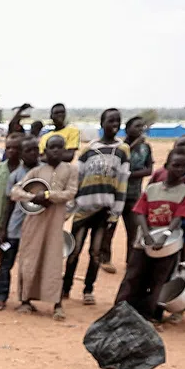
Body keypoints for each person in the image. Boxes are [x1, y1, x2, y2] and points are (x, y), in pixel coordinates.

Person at [114, 150, 185, 321]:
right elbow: (140, 212)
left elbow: (179, 216)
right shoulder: (152, 189)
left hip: (168, 242)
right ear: (166, 166)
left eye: (184, 166)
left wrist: (165, 235)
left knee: (159, 278)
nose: (180, 169)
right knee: (134, 274)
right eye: (176, 165)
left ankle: (149, 314)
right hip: (144, 239)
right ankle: (121, 309)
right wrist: (147, 233)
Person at [63, 108, 130, 304]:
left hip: (104, 210)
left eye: (117, 121)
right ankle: (66, 287)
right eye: (110, 121)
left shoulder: (122, 150)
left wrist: (116, 211)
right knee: (74, 250)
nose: (114, 124)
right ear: (102, 123)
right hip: (83, 207)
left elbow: (122, 181)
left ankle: (88, 290)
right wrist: (70, 208)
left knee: (95, 252)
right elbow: (79, 178)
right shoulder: (89, 150)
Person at [11, 135, 79, 319]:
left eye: (59, 147)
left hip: (55, 222)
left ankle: (57, 303)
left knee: (53, 260)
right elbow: (15, 191)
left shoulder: (71, 170)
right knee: (29, 258)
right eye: (51, 147)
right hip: (34, 222)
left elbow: (71, 192)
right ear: (45, 151)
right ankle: (25, 300)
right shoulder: (37, 171)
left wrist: (49, 196)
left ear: (65, 150)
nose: (55, 151)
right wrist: (34, 198)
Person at [0, 136, 40, 308]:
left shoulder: (43, 172)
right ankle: (1, 296)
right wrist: (4, 229)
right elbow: (9, 204)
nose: (32, 153)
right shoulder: (15, 175)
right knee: (6, 263)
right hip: (15, 226)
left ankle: (26, 299)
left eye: (35, 150)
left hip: (35, 228)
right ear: (21, 153)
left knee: (29, 265)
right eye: (28, 150)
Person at [122, 116, 155, 269]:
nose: (140, 129)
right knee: (109, 228)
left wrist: (129, 174)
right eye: (136, 126)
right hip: (116, 193)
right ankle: (104, 257)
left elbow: (149, 170)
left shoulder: (146, 148)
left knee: (133, 230)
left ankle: (130, 260)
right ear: (127, 128)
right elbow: (119, 165)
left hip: (134, 194)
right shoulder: (121, 146)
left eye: (142, 126)